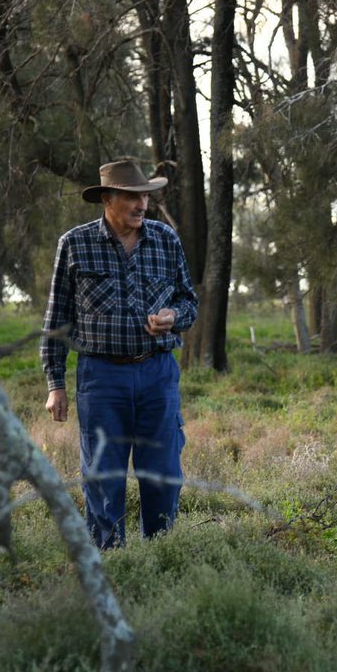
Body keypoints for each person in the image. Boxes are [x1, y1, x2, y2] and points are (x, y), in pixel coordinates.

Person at [41, 159, 198, 548]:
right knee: (102, 477)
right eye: (132, 197)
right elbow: (57, 319)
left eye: (144, 196)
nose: (142, 204)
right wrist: (55, 384)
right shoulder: (75, 244)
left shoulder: (165, 239)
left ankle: (161, 555)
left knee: (162, 474)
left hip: (157, 374)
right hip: (101, 378)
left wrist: (173, 316)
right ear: (107, 199)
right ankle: (110, 561)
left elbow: (189, 302)